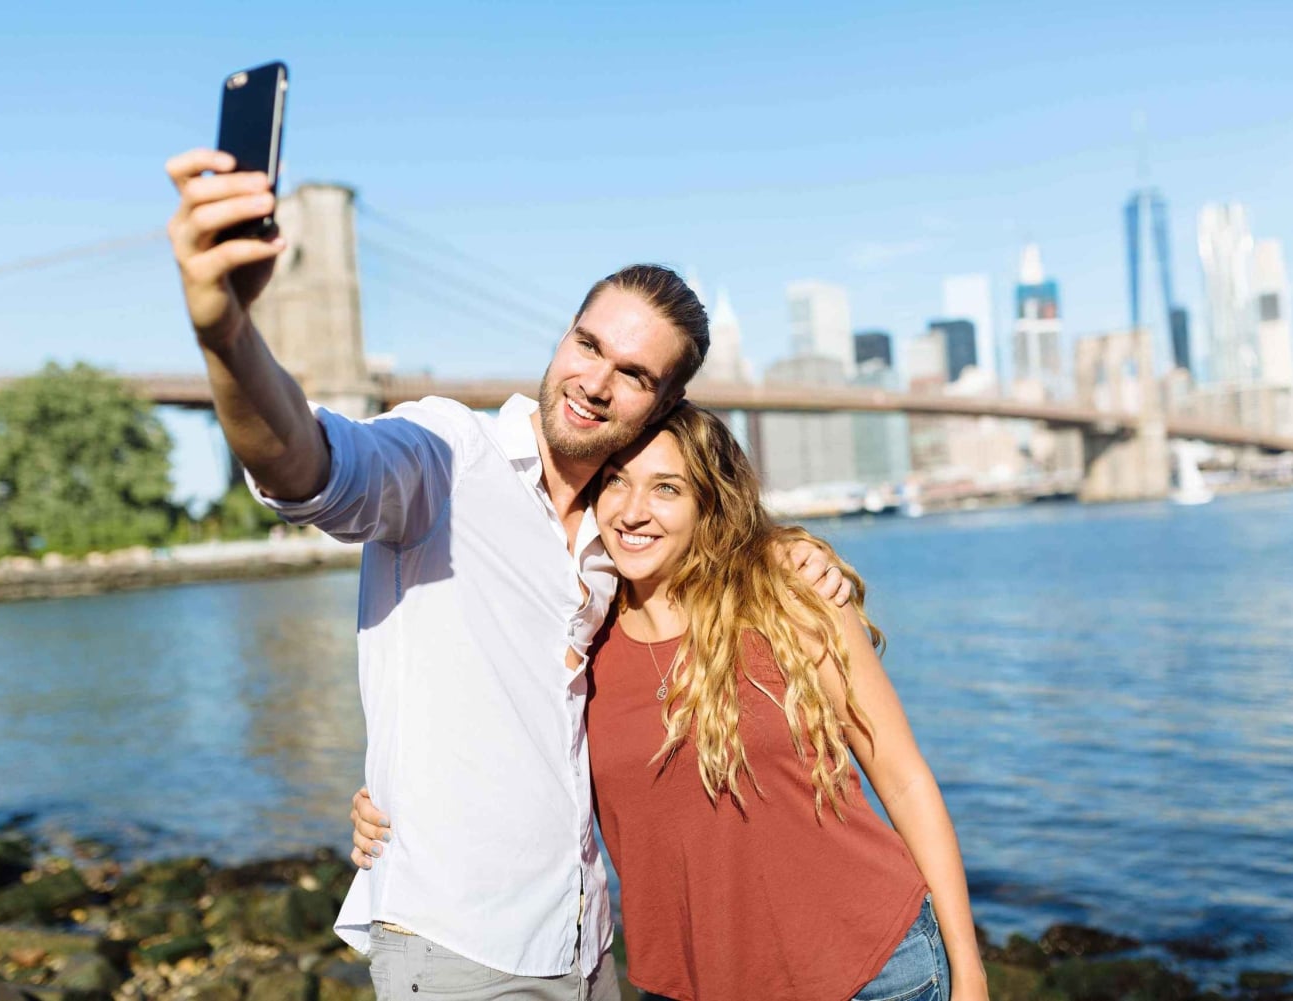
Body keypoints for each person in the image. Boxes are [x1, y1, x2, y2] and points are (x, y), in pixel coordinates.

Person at [164, 149, 850, 1000]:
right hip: (457, 948)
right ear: (563, 336)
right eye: (587, 344)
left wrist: (787, 550)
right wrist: (225, 332)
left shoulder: (625, 538)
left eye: (633, 374)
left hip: (588, 943)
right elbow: (307, 464)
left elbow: (717, 562)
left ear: (664, 405)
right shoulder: (446, 455)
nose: (594, 382)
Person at [354, 403, 990, 1001]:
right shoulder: (580, 642)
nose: (634, 511)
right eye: (616, 481)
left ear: (709, 503)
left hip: (875, 973)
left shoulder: (790, 596)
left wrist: (969, 967)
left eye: (667, 488)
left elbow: (903, 778)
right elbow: (500, 749)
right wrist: (390, 801)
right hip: (686, 984)